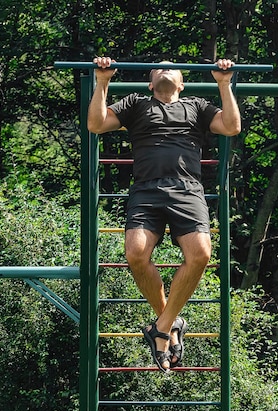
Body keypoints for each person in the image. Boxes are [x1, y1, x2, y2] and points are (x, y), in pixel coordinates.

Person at [88, 57, 241, 372]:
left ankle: (161, 329)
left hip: (187, 190)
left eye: (171, 67)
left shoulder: (196, 106)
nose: (164, 68)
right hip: (146, 190)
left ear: (182, 83)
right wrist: (102, 80)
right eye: (158, 67)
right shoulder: (136, 104)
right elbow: (96, 124)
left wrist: (224, 83)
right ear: (150, 82)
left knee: (201, 254)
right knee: (135, 254)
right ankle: (169, 325)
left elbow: (231, 126)